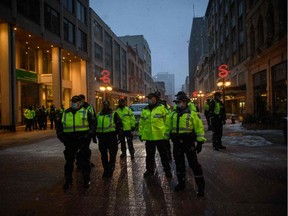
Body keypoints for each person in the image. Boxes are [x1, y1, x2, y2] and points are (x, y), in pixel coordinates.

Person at [166, 94, 206, 196]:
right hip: (177, 143)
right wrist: (165, 139)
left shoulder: (192, 114)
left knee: (194, 164)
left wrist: (200, 141)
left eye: (179, 102)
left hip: (188, 143)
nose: (178, 104)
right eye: (177, 102)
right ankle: (181, 183)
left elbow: (199, 128)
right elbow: (167, 127)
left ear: (185, 102)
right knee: (179, 164)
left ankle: (200, 187)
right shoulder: (173, 114)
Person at [56, 95, 95, 189]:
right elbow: (59, 128)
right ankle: (68, 181)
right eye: (72, 102)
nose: (74, 104)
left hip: (82, 140)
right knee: (69, 162)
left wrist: (88, 136)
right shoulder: (65, 113)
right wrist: (63, 138)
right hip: (70, 141)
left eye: (76, 102)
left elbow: (93, 124)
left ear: (80, 103)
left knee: (85, 161)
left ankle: (86, 180)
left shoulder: (86, 112)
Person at [139, 92, 172, 178]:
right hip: (149, 137)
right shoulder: (145, 110)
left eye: (151, 98)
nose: (149, 100)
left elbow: (167, 122)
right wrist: (140, 134)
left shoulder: (161, 108)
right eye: (148, 98)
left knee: (164, 155)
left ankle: (167, 171)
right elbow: (141, 123)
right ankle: (149, 170)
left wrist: (167, 133)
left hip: (160, 137)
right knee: (149, 156)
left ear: (156, 99)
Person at [96, 100, 123, 178]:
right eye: (104, 105)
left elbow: (119, 125)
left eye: (107, 105)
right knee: (103, 155)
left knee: (112, 154)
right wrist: (95, 135)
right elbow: (95, 125)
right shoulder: (98, 115)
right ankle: (105, 169)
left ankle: (111, 168)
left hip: (111, 137)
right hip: (101, 138)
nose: (105, 106)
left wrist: (118, 134)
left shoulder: (114, 114)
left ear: (109, 105)